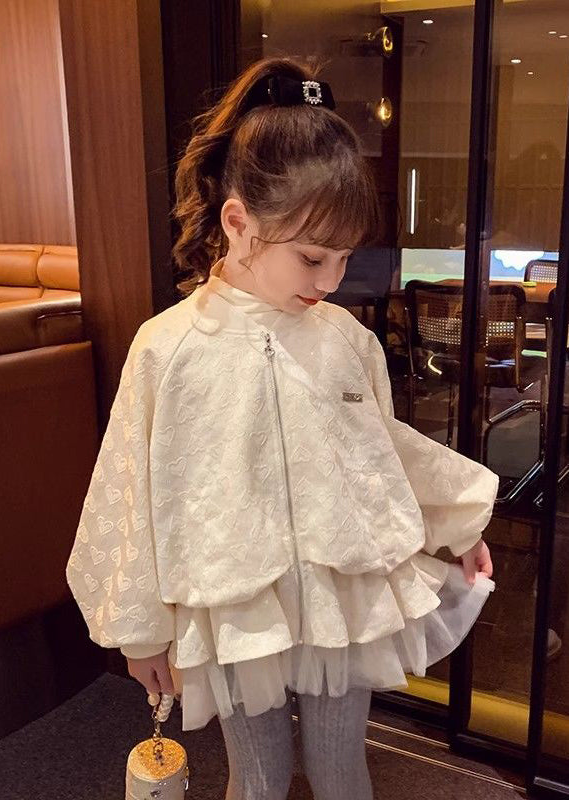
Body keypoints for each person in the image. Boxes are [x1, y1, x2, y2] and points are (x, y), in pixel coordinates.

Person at [65, 56, 499, 800]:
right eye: (311, 257)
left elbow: (382, 454)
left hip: (341, 591)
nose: (330, 280)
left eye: (344, 258)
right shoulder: (169, 348)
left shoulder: (346, 340)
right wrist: (139, 631)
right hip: (236, 602)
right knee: (258, 780)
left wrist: (455, 520)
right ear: (239, 223)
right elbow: (129, 491)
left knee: (341, 771)